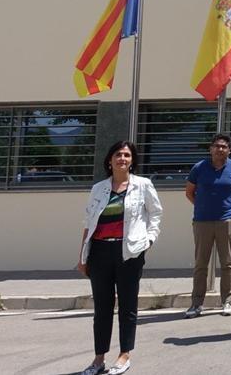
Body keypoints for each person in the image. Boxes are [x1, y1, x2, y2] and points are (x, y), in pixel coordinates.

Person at [76, 141, 163, 375]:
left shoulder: (143, 185)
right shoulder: (99, 188)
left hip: (129, 253)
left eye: (126, 155)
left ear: (132, 160)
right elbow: (89, 222)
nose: (122, 158)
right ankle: (98, 359)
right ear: (110, 160)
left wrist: (149, 241)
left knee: (127, 306)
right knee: (102, 308)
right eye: (118, 154)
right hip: (99, 252)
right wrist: (82, 256)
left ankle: (124, 355)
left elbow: (155, 214)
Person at [183, 133, 231, 318]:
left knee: (227, 263)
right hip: (202, 222)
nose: (220, 149)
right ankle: (196, 304)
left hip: (226, 221)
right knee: (201, 264)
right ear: (211, 149)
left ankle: (227, 301)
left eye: (224, 146)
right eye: (217, 146)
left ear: (229, 150)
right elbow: (190, 192)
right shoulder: (199, 168)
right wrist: (202, 207)